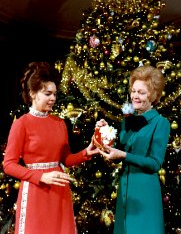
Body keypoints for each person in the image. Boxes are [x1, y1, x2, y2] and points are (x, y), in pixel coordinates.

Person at [3, 62, 98, 234]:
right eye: (48, 94)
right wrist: (42, 177)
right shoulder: (21, 124)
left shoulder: (60, 123)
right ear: (33, 94)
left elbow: (65, 159)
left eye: (54, 94)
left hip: (59, 191)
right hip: (35, 191)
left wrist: (86, 153)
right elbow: (9, 164)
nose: (53, 98)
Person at [97, 65, 170, 234]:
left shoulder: (161, 123)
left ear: (153, 96)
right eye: (134, 91)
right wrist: (105, 131)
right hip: (125, 189)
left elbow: (155, 163)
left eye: (141, 92)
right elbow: (118, 150)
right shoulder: (127, 120)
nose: (135, 96)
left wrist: (124, 155)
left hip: (145, 192)